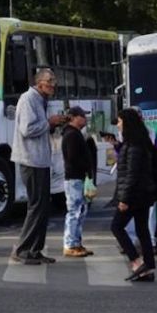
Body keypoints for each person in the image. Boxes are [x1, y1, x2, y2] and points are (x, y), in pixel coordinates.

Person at [11, 68, 68, 265]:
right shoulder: (28, 99)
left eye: (54, 80)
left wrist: (53, 124)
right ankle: (22, 249)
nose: (53, 84)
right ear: (39, 82)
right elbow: (27, 129)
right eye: (49, 80)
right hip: (31, 159)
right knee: (36, 206)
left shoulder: (41, 100)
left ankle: (35, 249)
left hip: (41, 159)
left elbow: (40, 127)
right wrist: (48, 122)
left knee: (43, 207)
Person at [110, 109, 157, 282]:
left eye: (120, 121)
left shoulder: (134, 145)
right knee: (142, 230)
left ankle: (137, 262)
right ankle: (148, 267)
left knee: (116, 227)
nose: (118, 124)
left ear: (128, 123)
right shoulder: (136, 142)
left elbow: (131, 175)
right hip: (142, 195)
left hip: (134, 196)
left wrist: (124, 199)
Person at [61, 106, 94, 257]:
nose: (85, 119)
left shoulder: (75, 134)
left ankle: (77, 242)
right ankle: (70, 244)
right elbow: (72, 157)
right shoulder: (72, 135)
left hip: (78, 178)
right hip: (74, 178)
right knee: (74, 211)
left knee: (81, 211)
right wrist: (86, 168)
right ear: (74, 117)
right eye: (82, 116)